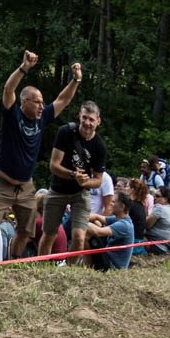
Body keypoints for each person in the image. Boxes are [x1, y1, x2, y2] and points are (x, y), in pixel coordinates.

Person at [0, 50, 82, 260]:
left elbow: (63, 100)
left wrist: (76, 79)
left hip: (26, 185)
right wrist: (24, 68)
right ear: (25, 101)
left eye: (42, 102)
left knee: (26, 230)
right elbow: (8, 89)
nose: (41, 106)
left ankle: (14, 263)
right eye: (37, 102)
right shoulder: (13, 115)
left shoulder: (42, 118)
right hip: (2, 182)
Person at [44, 101, 106, 260]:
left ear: (98, 121)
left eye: (91, 119)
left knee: (79, 237)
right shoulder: (65, 132)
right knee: (49, 234)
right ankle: (41, 267)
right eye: (84, 118)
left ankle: (69, 269)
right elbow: (54, 165)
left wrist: (85, 182)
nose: (87, 123)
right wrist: (73, 175)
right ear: (79, 116)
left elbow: (98, 180)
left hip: (80, 193)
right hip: (58, 189)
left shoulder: (99, 146)